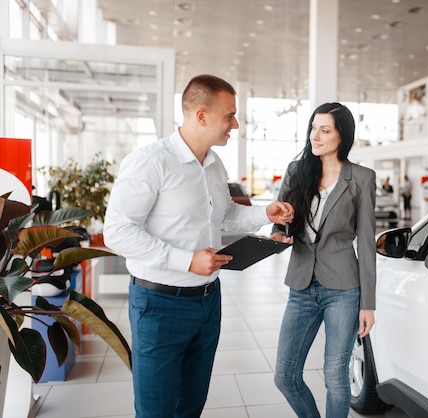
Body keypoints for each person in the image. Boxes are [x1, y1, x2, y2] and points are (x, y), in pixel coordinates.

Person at [103, 74, 294, 418]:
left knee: (191, 406)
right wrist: (186, 260)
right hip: (159, 305)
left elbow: (225, 216)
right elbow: (117, 232)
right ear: (201, 116)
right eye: (229, 115)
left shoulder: (214, 164)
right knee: (156, 410)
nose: (235, 124)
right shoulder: (151, 161)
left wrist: (264, 213)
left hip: (208, 302)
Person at [270, 102, 376, 418]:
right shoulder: (296, 171)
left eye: (324, 130)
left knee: (335, 376)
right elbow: (281, 217)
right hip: (301, 285)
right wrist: (279, 230)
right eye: (313, 128)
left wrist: (367, 303)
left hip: (344, 288)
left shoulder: (362, 178)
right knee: (285, 376)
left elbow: (367, 242)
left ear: (342, 136)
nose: (315, 136)